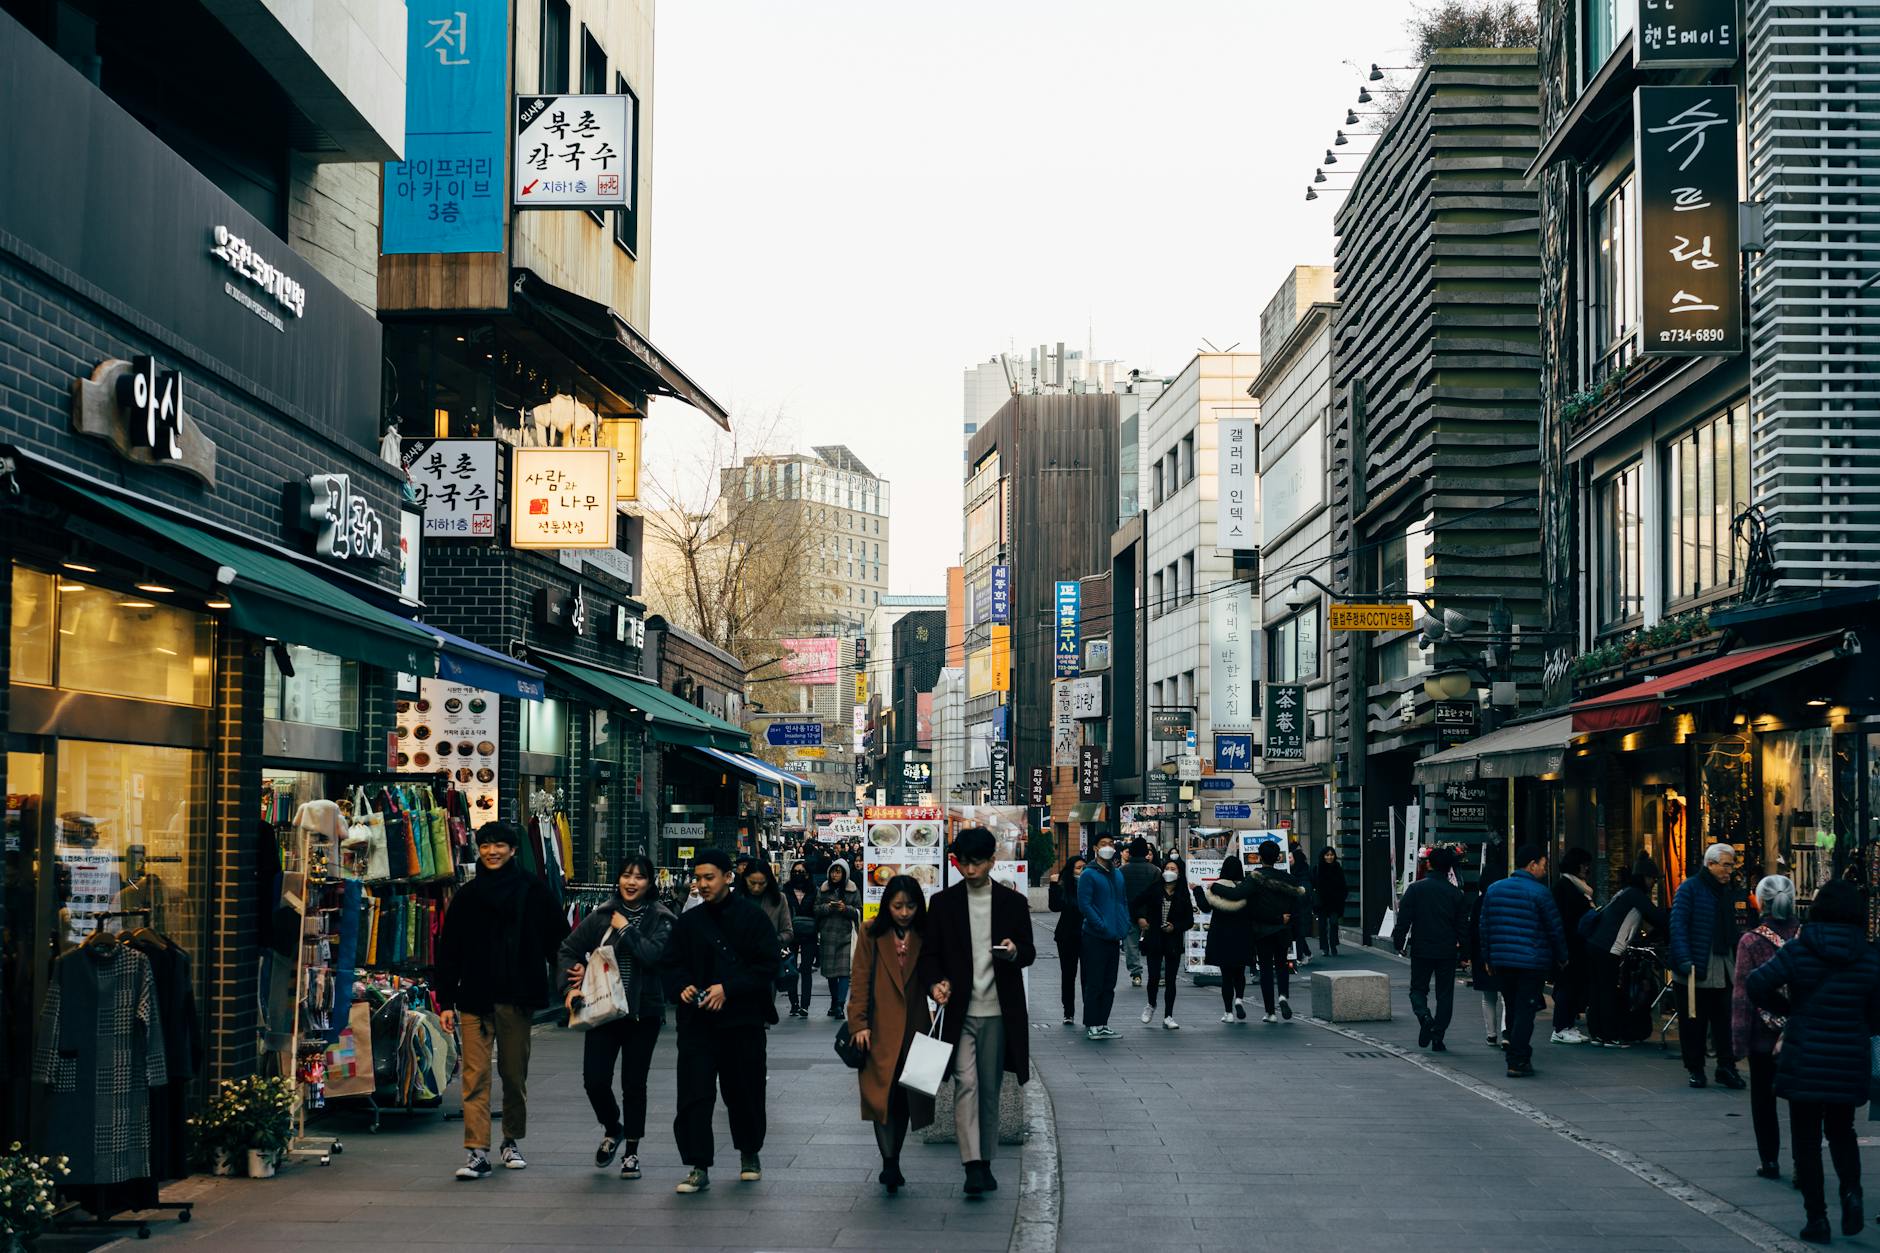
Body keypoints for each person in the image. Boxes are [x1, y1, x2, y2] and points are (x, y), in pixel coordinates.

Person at [1747, 879, 1880, 1244]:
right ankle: (1851, 1191)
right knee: (1842, 1131)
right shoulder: (1869, 957)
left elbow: (1756, 984)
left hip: (1805, 1053)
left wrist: (1790, 1010)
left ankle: (1816, 1218)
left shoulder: (1800, 950)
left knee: (1806, 1139)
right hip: (1848, 1055)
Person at [434, 821, 569, 1180]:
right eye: (485, 846)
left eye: (499, 846)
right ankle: (477, 1150)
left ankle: (510, 1140)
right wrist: (445, 1000)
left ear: (512, 850)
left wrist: (570, 983)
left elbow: (558, 939)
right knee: (474, 1077)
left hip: (517, 996)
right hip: (474, 997)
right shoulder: (468, 895)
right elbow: (449, 951)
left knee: (513, 1073)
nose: (491, 852)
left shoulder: (533, 891)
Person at [917, 827, 1035, 1197]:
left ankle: (985, 1159)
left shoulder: (1012, 903)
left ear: (991, 861)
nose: (969, 870)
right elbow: (929, 955)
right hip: (959, 1012)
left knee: (990, 1088)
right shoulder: (943, 903)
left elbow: (1029, 951)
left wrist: (1015, 951)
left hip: (1000, 1011)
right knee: (966, 1083)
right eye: (963, 863)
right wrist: (935, 983)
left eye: (977, 863)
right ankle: (972, 1164)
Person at [665, 850, 781, 1194]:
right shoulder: (688, 921)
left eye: (709, 877)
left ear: (729, 877)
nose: (701, 885)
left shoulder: (753, 918)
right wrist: (682, 987)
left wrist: (727, 989)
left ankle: (749, 1153)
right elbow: (670, 963)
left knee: (744, 1090)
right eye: (697, 878)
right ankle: (698, 1165)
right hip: (697, 1023)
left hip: (742, 1021)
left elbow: (767, 965)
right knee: (694, 1094)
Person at [556, 855, 674, 1181]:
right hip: (602, 1011)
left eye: (639, 877)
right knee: (594, 1079)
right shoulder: (601, 916)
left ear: (650, 883)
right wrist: (569, 986)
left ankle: (632, 1152)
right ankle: (613, 1127)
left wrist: (625, 932)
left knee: (633, 1084)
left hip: (642, 1013)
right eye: (626, 875)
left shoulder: (661, 918)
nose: (631, 882)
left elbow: (652, 957)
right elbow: (568, 948)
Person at [848, 875, 936, 1195]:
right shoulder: (871, 931)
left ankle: (894, 1158)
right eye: (897, 906)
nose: (903, 912)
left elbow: (936, 975)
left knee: (904, 1101)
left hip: (916, 1029)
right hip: (879, 1028)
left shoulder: (926, 934)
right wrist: (858, 1024)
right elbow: (859, 980)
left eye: (910, 906)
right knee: (880, 1098)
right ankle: (889, 1162)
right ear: (887, 905)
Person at [1734, 874, 1802, 1183]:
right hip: (1800, 1033)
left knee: (1763, 1100)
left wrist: (1737, 1041)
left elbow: (1742, 996)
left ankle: (1770, 1160)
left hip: (1764, 1034)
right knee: (1803, 1104)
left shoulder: (1750, 941)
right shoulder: (1806, 937)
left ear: (1762, 902)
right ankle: (1805, 1162)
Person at [1479, 843, 1567, 1078]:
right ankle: (1517, 1059)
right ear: (1532, 865)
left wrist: (1487, 957)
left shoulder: (1495, 889)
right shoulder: (1540, 892)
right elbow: (1554, 929)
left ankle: (1517, 1052)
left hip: (1502, 962)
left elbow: (1484, 926)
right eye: (1543, 865)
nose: (1544, 870)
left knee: (1513, 1006)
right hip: (1531, 962)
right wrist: (1562, 957)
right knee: (1526, 1010)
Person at [1670, 841, 1747, 1090]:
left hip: (1723, 964)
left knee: (1725, 1020)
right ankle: (1696, 1068)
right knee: (1694, 1021)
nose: (1729, 870)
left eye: (1731, 866)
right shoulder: (1690, 888)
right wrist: (1684, 960)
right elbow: (1678, 925)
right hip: (1696, 964)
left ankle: (1727, 1066)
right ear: (1710, 864)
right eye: (1725, 865)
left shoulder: (1726, 891)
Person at [1210, 841, 1305, 1023]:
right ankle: (1283, 996)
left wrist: (1215, 887)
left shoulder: (1255, 877)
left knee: (1267, 969)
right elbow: (1298, 904)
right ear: (1278, 857)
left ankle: (1270, 1012)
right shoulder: (1288, 879)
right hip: (1283, 930)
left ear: (1260, 857)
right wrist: (1289, 922)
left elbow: (1236, 894)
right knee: (1283, 964)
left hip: (1263, 931)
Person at [1584, 858, 1669, 1045]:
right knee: (1607, 991)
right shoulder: (1636, 896)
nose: (1654, 883)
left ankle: (1597, 1033)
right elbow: (1657, 918)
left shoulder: (1624, 892)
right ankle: (1609, 1035)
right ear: (1644, 878)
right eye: (1653, 879)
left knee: (1597, 991)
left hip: (1595, 944)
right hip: (1609, 949)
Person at [1391, 846, 1468, 1051]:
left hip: (1422, 948)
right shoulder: (1456, 894)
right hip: (1446, 950)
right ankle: (1438, 1035)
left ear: (1429, 864)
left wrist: (1399, 942)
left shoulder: (1416, 889)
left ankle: (1424, 1016)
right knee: (1445, 994)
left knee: (1418, 989)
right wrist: (1465, 954)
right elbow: (1462, 927)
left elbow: (1404, 920)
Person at [1076, 831, 1131, 1040]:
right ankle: (1092, 1023)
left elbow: (1123, 901)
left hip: (1114, 935)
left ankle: (1103, 1022)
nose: (1108, 847)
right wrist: (1100, 924)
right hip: (1094, 936)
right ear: (1095, 848)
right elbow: (1085, 904)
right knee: (1095, 982)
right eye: (1103, 844)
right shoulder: (1088, 874)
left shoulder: (1117, 873)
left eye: (1111, 843)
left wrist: (1124, 923)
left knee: (1109, 983)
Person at [1131, 856, 1193, 1029]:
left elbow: (1189, 920)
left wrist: (1175, 927)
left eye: (1174, 869)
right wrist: (1141, 918)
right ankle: (1151, 1004)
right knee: (1153, 976)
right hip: (1155, 938)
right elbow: (1136, 903)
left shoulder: (1183, 894)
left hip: (1173, 941)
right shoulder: (1154, 889)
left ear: (1180, 873)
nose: (1170, 872)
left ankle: (1168, 1015)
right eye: (1168, 868)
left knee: (1171, 979)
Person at [1196, 856, 1254, 1023]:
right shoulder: (1244, 888)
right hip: (1242, 935)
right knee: (1240, 972)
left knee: (1226, 976)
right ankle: (1239, 999)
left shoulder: (1217, 887)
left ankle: (1228, 1013)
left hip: (1221, 935)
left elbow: (1205, 907)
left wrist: (1197, 890)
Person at [1550, 847, 1596, 1045]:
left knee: (1572, 986)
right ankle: (1561, 1027)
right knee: (1566, 986)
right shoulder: (1565, 887)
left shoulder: (1577, 887)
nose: (1587, 868)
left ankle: (1567, 1025)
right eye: (1584, 864)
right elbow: (1563, 921)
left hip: (1574, 947)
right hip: (1569, 947)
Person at [1470, 846, 1508, 1048]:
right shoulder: (1505, 899)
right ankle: (1505, 1032)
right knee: (1506, 997)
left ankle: (1491, 1034)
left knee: (1488, 996)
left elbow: (1473, 930)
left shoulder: (1479, 901)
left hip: (1482, 954)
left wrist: (1468, 954)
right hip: (1503, 952)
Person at [817, 860, 862, 1017]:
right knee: (831, 973)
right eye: (833, 871)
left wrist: (846, 909)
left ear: (845, 874)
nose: (835, 875)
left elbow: (859, 911)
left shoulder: (852, 889)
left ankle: (840, 1005)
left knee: (844, 972)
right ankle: (834, 1001)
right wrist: (827, 907)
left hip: (846, 934)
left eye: (838, 872)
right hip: (828, 934)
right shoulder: (824, 889)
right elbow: (816, 909)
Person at [1046, 854, 1088, 1026]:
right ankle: (1068, 1012)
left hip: (1088, 936)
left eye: (1084, 868)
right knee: (1068, 975)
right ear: (1071, 870)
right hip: (1067, 936)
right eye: (1078, 868)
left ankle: (1089, 1012)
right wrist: (1053, 885)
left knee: (1088, 976)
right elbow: (1055, 906)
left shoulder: (1090, 886)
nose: (1082, 871)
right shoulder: (1065, 886)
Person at [1120, 837, 1158, 988]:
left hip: (1129, 913)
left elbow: (1121, 895)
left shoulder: (1122, 871)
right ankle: (1159, 973)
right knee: (1155, 944)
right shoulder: (1154, 870)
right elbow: (1157, 895)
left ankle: (1136, 973)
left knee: (1131, 945)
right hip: (1151, 914)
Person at [784, 861, 819, 1018]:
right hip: (790, 934)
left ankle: (804, 1005)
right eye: (796, 871)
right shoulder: (785, 890)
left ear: (808, 874)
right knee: (790, 969)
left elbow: (817, 911)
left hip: (809, 934)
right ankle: (793, 1004)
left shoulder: (814, 890)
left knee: (806, 969)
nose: (799, 874)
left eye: (802, 871)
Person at [1315, 846, 1348, 956]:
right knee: (1322, 925)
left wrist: (1342, 896)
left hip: (1335, 902)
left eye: (1331, 855)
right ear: (1323, 856)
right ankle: (1325, 947)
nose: (1330, 857)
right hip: (1322, 902)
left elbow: (1343, 884)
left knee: (1334, 923)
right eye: (1327, 855)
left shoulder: (1338, 867)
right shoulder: (1318, 868)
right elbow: (1315, 884)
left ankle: (1333, 944)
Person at [1289, 841, 1314, 964]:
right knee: (1298, 933)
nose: (1288, 860)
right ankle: (1307, 953)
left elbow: (1305, 893)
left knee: (1299, 933)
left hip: (1302, 909)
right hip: (1297, 909)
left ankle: (1299, 957)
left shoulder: (1303, 873)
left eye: (1290, 857)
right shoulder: (1294, 871)